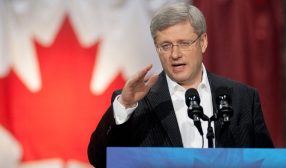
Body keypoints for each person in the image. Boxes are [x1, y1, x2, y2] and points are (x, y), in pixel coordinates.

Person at [88, 2, 274, 167]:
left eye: (184, 43)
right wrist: (124, 106)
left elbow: (267, 161)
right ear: (157, 48)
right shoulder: (136, 104)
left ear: (203, 42)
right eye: (166, 46)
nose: (175, 54)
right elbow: (100, 159)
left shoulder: (242, 98)